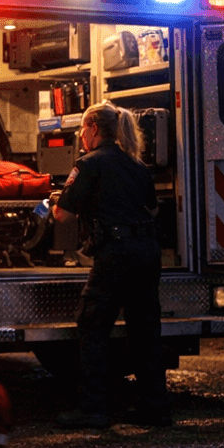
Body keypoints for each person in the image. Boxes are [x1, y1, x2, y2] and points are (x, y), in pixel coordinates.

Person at [50, 101, 168, 428]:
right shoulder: (137, 165)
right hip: (147, 252)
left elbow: (64, 215)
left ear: (94, 129)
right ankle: (155, 409)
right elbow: (153, 211)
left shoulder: (88, 165)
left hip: (115, 255)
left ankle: (92, 410)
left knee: (94, 327)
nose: (81, 135)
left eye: (82, 129)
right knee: (145, 332)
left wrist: (55, 201)